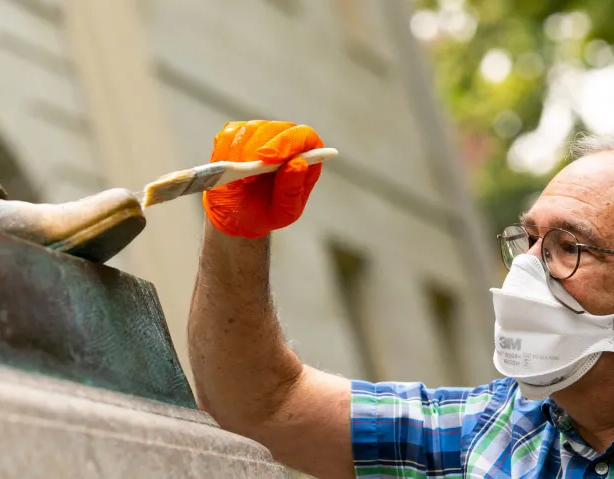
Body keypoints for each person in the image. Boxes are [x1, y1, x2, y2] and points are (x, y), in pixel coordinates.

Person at [187, 120, 614, 479]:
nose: (525, 268)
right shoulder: (491, 433)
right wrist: (236, 232)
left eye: (569, 246)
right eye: (531, 240)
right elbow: (264, 407)